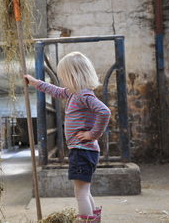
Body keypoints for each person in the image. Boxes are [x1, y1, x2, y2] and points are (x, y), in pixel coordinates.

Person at [24, 51, 111, 223]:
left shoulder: (82, 95)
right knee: (85, 191)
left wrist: (93, 134)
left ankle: (86, 221)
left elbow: (104, 111)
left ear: (73, 76)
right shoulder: (73, 93)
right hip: (83, 151)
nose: (62, 80)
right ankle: (94, 219)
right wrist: (36, 83)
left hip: (82, 151)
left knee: (80, 194)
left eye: (63, 76)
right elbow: (55, 90)